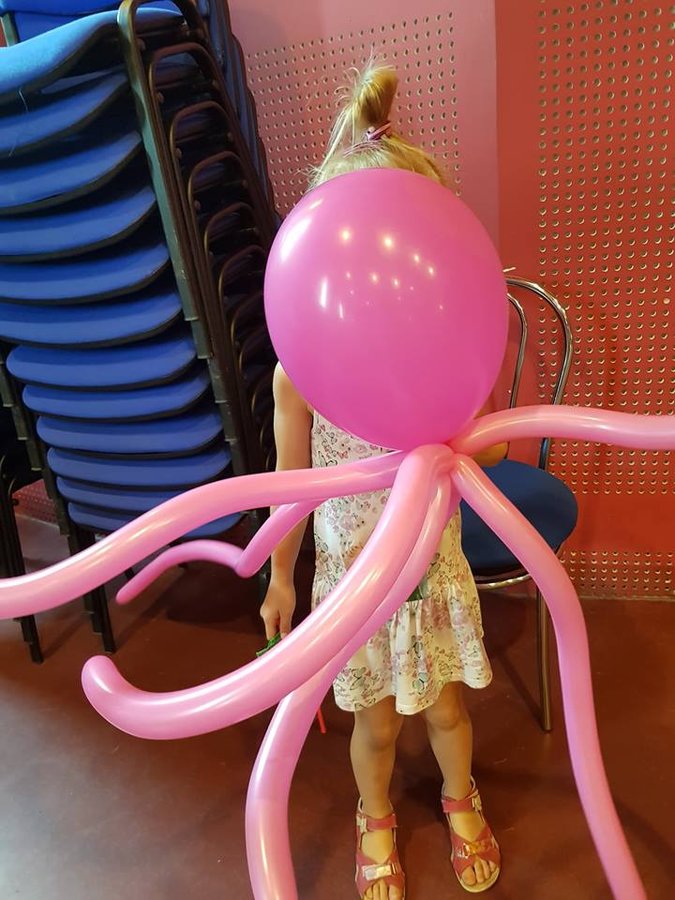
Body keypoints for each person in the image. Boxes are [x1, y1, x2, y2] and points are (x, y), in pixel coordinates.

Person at [260, 62, 505, 900]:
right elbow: (288, 484)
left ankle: (460, 799)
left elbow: (491, 456)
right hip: (353, 583)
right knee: (373, 725)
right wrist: (279, 577)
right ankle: (375, 818)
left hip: (429, 574)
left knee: (445, 710)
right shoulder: (299, 372)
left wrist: (459, 409)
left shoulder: (441, 349)